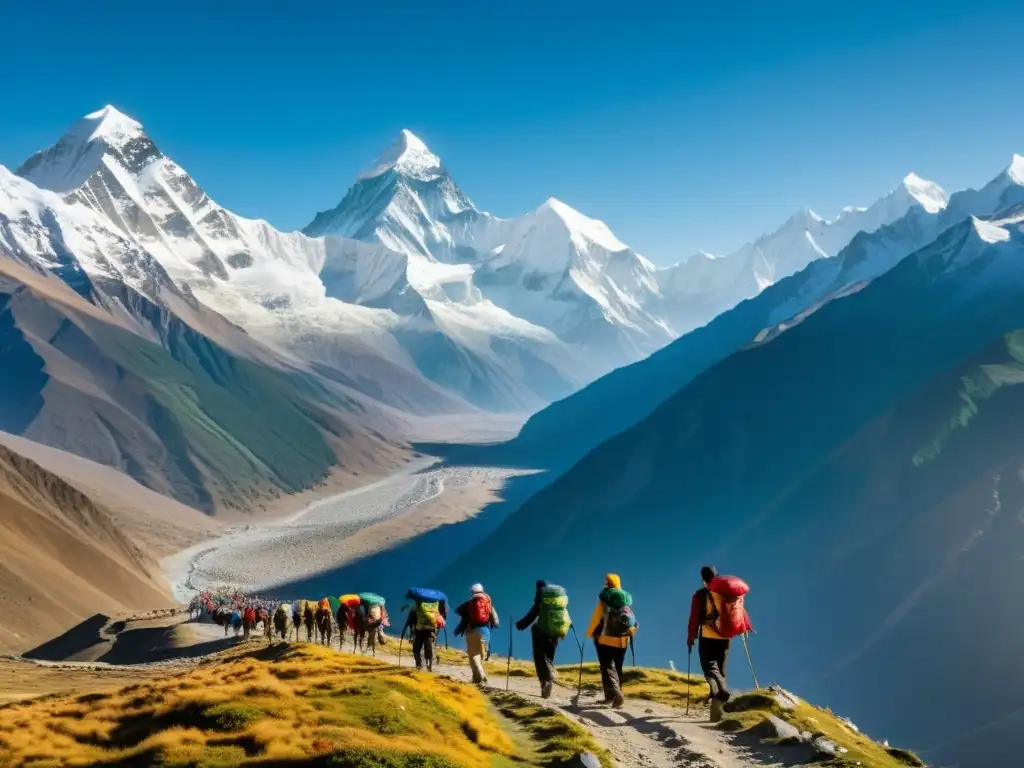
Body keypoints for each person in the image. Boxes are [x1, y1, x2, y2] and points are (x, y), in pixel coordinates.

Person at [585, 573, 638, 708]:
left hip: (605, 639)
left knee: (606, 666)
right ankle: (615, 696)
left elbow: (597, 616)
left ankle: (614, 694)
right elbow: (633, 620)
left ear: (608, 583)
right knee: (618, 668)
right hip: (623, 640)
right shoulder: (626, 598)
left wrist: (591, 632)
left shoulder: (605, 597)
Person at [687, 565, 731, 722]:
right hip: (726, 637)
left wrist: (691, 638)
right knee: (721, 670)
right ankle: (716, 714)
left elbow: (694, 619)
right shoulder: (727, 593)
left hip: (708, 635)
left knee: (710, 667)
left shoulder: (700, 595)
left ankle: (718, 688)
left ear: (703, 579)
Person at [515, 580, 569, 699]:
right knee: (549, 658)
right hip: (555, 633)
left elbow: (534, 612)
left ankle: (546, 682)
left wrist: (521, 624)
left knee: (539, 657)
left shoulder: (541, 595)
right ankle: (548, 680)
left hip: (542, 631)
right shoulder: (557, 598)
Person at [454, 584, 500, 685]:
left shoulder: (469, 603)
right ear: (482, 591)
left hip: (472, 631)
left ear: (472, 592)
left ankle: (482, 676)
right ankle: (476, 679)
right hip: (485, 632)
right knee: (480, 655)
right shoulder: (488, 603)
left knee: (474, 655)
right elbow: (496, 621)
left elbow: (457, 610)